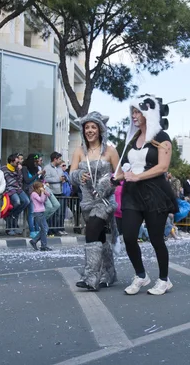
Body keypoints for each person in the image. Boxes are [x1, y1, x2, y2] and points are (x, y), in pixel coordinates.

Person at [120, 96, 178, 295]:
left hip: (155, 193)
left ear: (148, 113)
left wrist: (138, 177)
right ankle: (141, 276)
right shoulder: (132, 138)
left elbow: (163, 167)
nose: (134, 116)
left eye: (138, 112)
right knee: (128, 235)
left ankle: (164, 279)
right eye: (133, 112)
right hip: (132, 194)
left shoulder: (161, 137)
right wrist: (117, 177)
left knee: (156, 239)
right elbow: (126, 167)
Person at [69, 112, 119, 291]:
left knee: (90, 233)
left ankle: (91, 277)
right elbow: (71, 175)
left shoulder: (110, 150)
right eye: (87, 127)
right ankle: (109, 272)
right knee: (98, 237)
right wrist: (78, 175)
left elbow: (119, 175)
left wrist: (107, 183)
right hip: (86, 203)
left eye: (93, 127)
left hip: (104, 202)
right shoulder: (79, 151)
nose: (90, 130)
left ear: (100, 130)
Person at [2, 153, 30, 236]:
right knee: (17, 202)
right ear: (11, 161)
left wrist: (19, 171)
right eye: (17, 162)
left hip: (18, 188)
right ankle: (10, 226)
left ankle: (12, 215)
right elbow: (6, 180)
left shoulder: (17, 169)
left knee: (26, 201)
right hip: (9, 189)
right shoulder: (4, 168)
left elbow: (20, 179)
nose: (18, 163)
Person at [28, 181, 52, 252]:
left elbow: (48, 196)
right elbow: (41, 200)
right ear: (37, 187)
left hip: (41, 211)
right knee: (44, 229)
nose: (42, 188)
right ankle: (43, 246)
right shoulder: (34, 194)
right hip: (38, 212)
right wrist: (42, 192)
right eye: (40, 187)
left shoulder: (39, 193)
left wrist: (44, 191)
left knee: (45, 228)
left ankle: (34, 241)